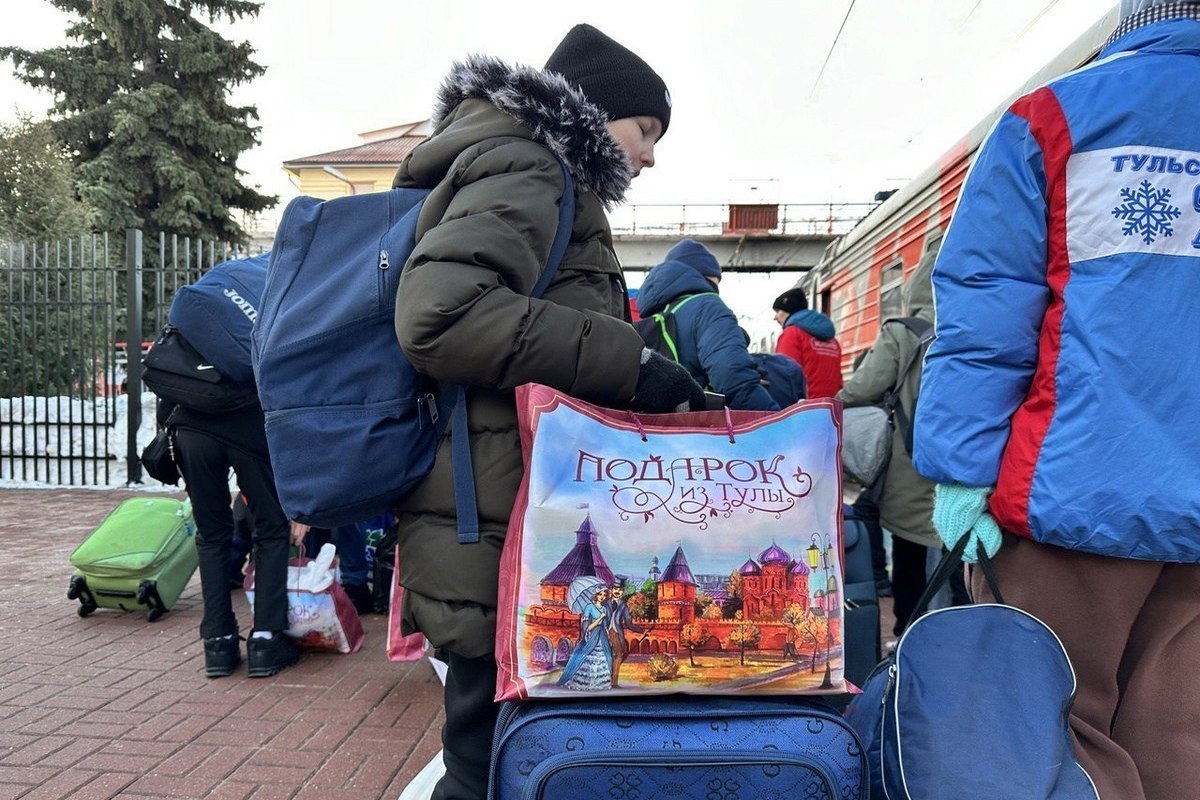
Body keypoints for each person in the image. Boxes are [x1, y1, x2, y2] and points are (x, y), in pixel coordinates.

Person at [390, 24, 701, 800]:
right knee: (486, 765)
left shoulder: (533, 169)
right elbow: (440, 315)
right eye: (646, 129)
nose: (652, 153)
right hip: (498, 522)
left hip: (508, 513)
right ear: (596, 113)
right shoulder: (531, 163)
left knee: (503, 758)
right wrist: (628, 362)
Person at [913, 4, 1200, 799]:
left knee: (1044, 730)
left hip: (1071, 491)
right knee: (1179, 734)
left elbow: (988, 309)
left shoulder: (1055, 115)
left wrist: (961, 467)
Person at [836, 252, 940, 635]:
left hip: (913, 459)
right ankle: (960, 628)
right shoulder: (978, 327)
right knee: (961, 549)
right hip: (969, 458)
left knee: (910, 549)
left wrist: (834, 403)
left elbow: (864, 387)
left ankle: (908, 631)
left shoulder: (904, 331)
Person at [162, 398, 302, 679]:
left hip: (191, 427)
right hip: (247, 424)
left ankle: (218, 643)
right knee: (272, 530)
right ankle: (266, 638)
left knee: (212, 535)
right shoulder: (254, 349)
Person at [636, 239, 779, 410]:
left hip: (654, 427)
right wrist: (775, 422)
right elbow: (734, 380)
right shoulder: (707, 306)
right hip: (697, 427)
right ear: (704, 276)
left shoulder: (652, 312)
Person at [772, 288, 844, 397]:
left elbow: (785, 377)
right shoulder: (832, 340)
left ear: (789, 311)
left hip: (806, 408)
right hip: (832, 406)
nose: (775, 317)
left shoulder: (792, 334)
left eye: (778, 311)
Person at [558, 583, 613, 691]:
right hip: (592, 636)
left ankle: (599, 683)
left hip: (602, 637)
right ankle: (585, 684)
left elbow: (605, 626)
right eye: (600, 594)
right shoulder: (589, 607)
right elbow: (588, 627)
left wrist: (608, 637)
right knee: (587, 658)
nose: (602, 597)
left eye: (604, 595)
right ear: (596, 595)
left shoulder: (604, 609)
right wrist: (599, 618)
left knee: (606, 658)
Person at [605, 582, 647, 687]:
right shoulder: (605, 603)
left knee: (619, 655)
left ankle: (613, 682)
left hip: (616, 632)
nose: (617, 591)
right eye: (615, 589)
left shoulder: (623, 606)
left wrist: (641, 631)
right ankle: (607, 681)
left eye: (620, 589)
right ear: (611, 590)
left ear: (622, 592)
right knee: (610, 656)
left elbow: (628, 623)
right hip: (604, 631)